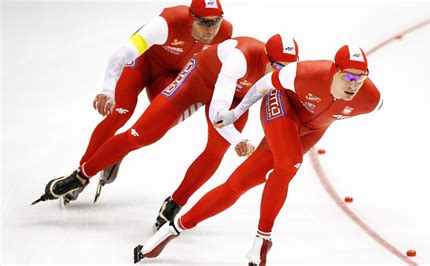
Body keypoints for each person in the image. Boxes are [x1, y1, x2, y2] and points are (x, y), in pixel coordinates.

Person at [32, 33, 301, 240]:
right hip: (197, 81)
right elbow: (218, 111)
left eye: (287, 68)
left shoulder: (283, 76)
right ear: (265, 57)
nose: (281, 73)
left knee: (215, 152)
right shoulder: (240, 58)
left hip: (235, 97)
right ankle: (81, 175)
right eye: (276, 66)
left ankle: (175, 203)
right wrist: (238, 140)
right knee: (142, 135)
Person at [133, 45, 383, 265]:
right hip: (282, 108)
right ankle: (263, 239)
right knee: (288, 165)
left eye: (360, 78)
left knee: (238, 183)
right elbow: (263, 85)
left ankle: (174, 228)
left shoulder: (371, 100)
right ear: (334, 70)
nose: (353, 84)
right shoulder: (304, 73)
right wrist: (236, 111)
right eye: (348, 76)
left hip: (311, 131)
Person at [62, 0, 233, 204]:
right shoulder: (166, 23)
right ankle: (81, 176)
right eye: (205, 23)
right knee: (120, 112)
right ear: (190, 18)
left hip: (173, 75)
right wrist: (108, 90)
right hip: (142, 64)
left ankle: (118, 150)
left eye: (216, 22)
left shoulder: (225, 33)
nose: (211, 30)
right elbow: (121, 54)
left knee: (154, 126)